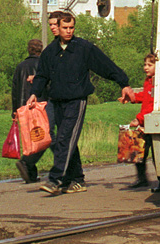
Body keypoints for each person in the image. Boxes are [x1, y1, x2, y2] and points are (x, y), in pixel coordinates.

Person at [32, 11, 131, 196]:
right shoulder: (49, 52)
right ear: (58, 29)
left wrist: (123, 83)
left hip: (76, 100)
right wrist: (34, 94)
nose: (69, 31)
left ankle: (56, 180)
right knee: (66, 138)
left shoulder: (83, 48)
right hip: (57, 100)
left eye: (71, 28)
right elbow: (42, 76)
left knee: (66, 138)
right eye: (65, 28)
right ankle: (76, 179)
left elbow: (105, 65)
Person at [119, 53, 160, 193]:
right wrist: (132, 98)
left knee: (156, 152)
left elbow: (151, 104)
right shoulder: (149, 80)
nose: (146, 68)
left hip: (152, 122)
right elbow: (145, 96)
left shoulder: (158, 81)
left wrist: (139, 118)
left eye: (150, 65)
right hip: (146, 121)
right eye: (145, 65)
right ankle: (143, 178)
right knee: (138, 150)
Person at [11, 38, 51, 183]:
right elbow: (47, 86)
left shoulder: (20, 67)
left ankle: (31, 173)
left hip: (22, 107)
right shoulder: (43, 65)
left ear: (28, 49)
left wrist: (14, 110)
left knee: (29, 139)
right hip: (40, 106)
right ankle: (27, 163)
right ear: (41, 49)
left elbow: (15, 90)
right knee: (42, 136)